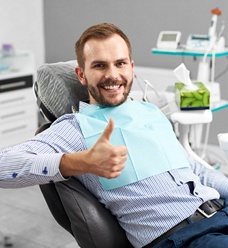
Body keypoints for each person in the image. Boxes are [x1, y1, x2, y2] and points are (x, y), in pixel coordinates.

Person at [1, 23, 228, 248]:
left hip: (220, 214)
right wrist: (80, 162)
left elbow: (197, 171)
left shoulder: (150, 112)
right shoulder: (75, 128)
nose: (112, 75)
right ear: (81, 74)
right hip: (184, 238)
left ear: (131, 67)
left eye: (120, 63)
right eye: (99, 65)